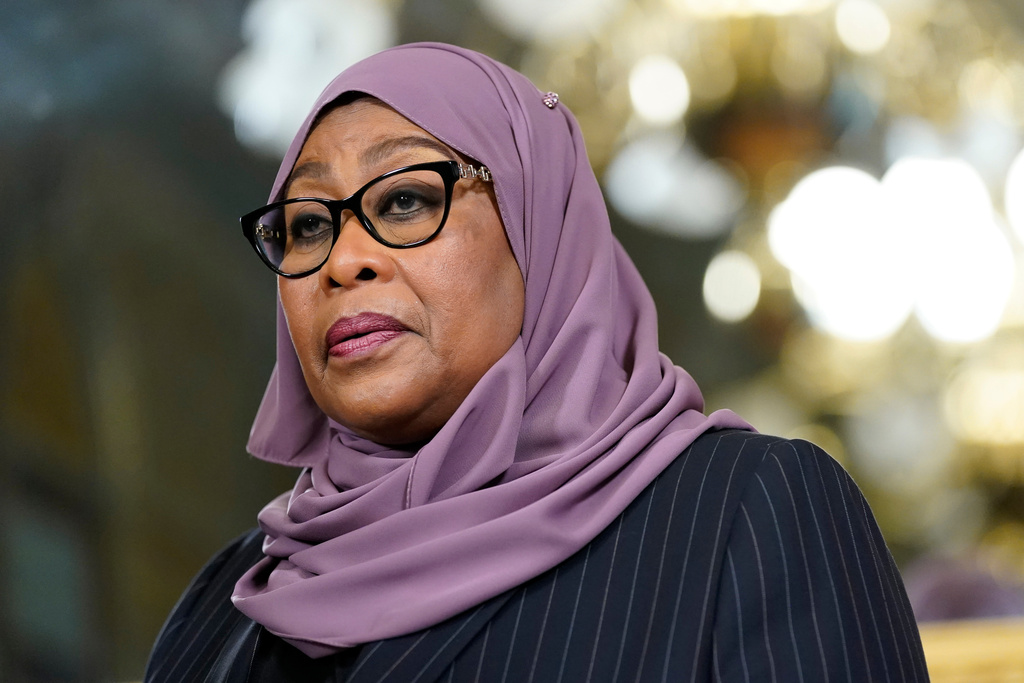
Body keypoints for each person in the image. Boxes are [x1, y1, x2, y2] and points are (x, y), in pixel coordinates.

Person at [144, 43, 929, 682]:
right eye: (309, 224)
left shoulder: (740, 511)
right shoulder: (230, 601)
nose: (344, 260)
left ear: (538, 227)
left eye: (406, 200)